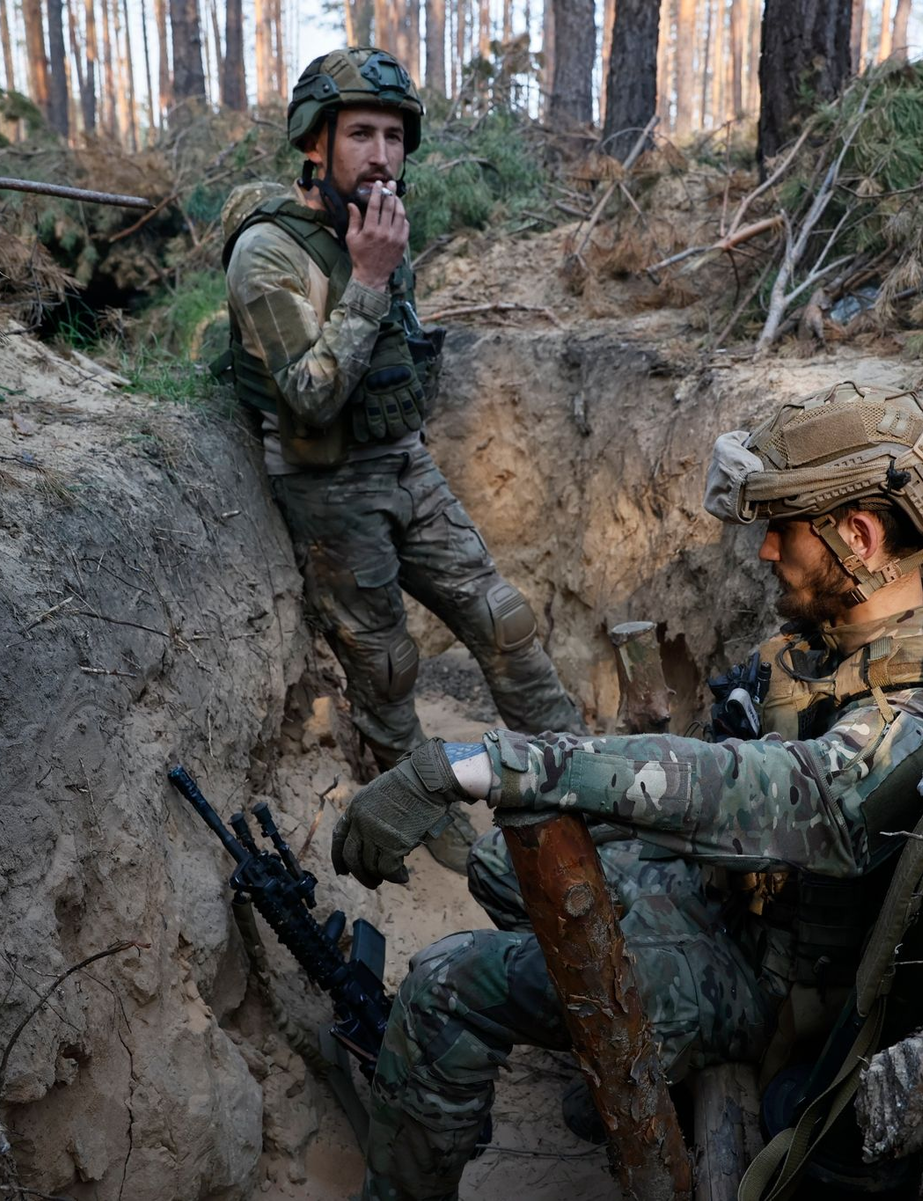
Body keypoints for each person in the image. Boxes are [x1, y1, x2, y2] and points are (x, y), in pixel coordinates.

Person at [331, 383, 923, 1200]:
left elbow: (753, 787)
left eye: (780, 530)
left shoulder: (922, 716)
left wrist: (477, 763)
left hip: (770, 994)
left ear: (856, 537)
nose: (763, 552)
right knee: (496, 863)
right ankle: (593, 1057)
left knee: (443, 983)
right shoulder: (837, 645)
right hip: (731, 912)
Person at [220, 47, 581, 874]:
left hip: (404, 464)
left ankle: (585, 776)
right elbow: (309, 395)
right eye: (361, 134)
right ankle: (431, 842)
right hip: (327, 487)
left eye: (394, 135)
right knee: (386, 673)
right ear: (317, 143)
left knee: (504, 621)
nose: (382, 154)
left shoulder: (374, 226)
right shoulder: (270, 254)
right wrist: (372, 277)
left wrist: (380, 270)